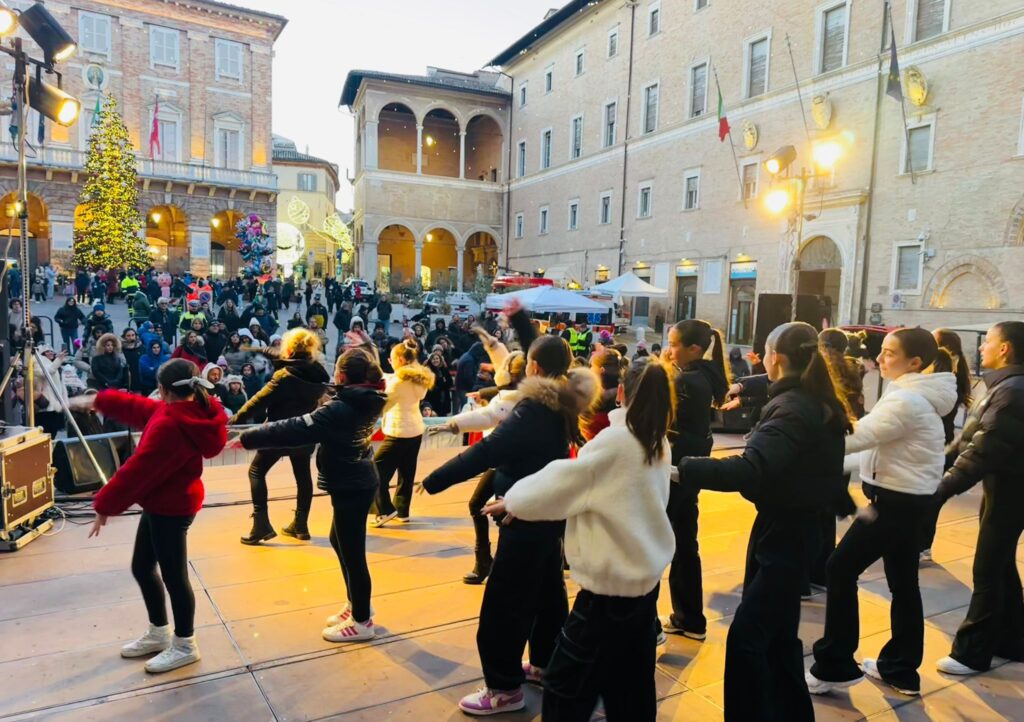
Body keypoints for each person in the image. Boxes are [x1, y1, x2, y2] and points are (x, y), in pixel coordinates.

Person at [484, 357, 675, 720]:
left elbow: (566, 480)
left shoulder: (617, 441)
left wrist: (515, 500)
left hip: (607, 594)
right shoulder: (657, 439)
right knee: (630, 687)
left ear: (620, 393)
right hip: (643, 588)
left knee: (565, 690)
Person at [677, 322, 851, 721]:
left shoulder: (792, 408)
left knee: (748, 639)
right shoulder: (808, 394)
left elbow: (752, 468)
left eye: (765, 355)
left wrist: (684, 468)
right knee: (778, 637)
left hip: (787, 533)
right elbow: (775, 388)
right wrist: (750, 387)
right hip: (790, 526)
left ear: (777, 357)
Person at [421, 334, 598, 716]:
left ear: (533, 368)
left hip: (526, 517)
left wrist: (435, 480)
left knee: (505, 605)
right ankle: (546, 663)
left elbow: (488, 450)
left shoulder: (533, 409)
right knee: (548, 596)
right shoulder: (562, 402)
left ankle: (503, 688)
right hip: (546, 516)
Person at [808, 328, 956, 697]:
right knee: (903, 584)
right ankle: (900, 669)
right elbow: (873, 447)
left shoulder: (907, 400)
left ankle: (835, 664)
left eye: (890, 353)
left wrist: (802, 443)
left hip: (897, 504)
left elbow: (858, 437)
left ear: (914, 362)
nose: (881, 359)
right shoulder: (912, 394)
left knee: (839, 568)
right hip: (909, 501)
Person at [78, 359, 226, 673]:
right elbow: (143, 409)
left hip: (171, 508)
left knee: (174, 577)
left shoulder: (172, 424)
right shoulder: (185, 411)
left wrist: (105, 505)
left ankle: (185, 644)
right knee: (142, 567)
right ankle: (160, 633)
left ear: (162, 389)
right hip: (163, 503)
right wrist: (102, 400)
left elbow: (138, 470)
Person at [239, 349, 388, 643]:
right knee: (340, 541)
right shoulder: (367, 397)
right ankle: (357, 605)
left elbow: (296, 428)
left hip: (351, 484)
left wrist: (249, 437)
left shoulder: (340, 408)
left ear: (342, 376)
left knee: (353, 553)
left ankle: (362, 621)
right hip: (356, 479)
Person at [934, 322, 1024, 676]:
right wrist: (939, 465)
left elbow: (984, 449)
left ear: (1005, 349)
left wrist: (941, 489)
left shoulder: (1013, 391)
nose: (982, 347)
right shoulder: (1007, 385)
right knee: (999, 564)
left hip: (1012, 487)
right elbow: (970, 440)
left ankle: (972, 653)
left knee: (988, 567)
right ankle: (1012, 640)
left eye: (988, 342)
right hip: (1006, 485)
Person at [660, 319, 730, 642]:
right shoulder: (702, 375)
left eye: (674, 344)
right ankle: (689, 617)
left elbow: (659, 410)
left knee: (665, 540)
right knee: (685, 540)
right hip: (690, 465)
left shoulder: (687, 381)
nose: (669, 349)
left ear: (694, 349)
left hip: (678, 467)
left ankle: (679, 618)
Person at [435, 348, 528, 583]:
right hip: (505, 461)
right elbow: (501, 389)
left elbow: (488, 415)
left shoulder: (512, 402)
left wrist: (454, 424)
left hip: (506, 462)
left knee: (505, 514)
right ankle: (488, 561)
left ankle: (493, 563)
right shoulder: (523, 394)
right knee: (495, 510)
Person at [232, 328, 330, 543]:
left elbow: (256, 402)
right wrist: (257, 348)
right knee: (303, 475)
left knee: (256, 471)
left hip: (279, 433)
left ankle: (261, 525)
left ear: (290, 349)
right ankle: (301, 525)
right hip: (304, 432)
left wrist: (232, 422)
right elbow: (278, 355)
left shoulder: (285, 376)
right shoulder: (318, 374)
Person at [918, 328, 973, 561]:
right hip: (945, 440)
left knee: (925, 497)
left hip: (933, 442)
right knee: (932, 498)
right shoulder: (958, 371)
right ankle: (923, 545)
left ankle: (919, 545)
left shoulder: (941, 371)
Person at [370, 339, 435, 526]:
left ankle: (385, 510)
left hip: (398, 432)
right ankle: (402, 510)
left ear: (399, 359)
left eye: (391, 360)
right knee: (407, 473)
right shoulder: (419, 378)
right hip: (415, 430)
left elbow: (383, 403)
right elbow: (395, 378)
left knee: (375, 472)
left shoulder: (398, 382)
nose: (390, 363)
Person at [581, 347, 622, 441]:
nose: (590, 369)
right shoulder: (624, 397)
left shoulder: (598, 406)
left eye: (591, 366)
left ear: (601, 370)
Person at [121, 327, 145, 394]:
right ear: (124, 337)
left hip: (139, 377)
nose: (131, 337)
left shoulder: (142, 347)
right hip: (126, 377)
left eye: (133, 335)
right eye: (128, 335)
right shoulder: (120, 349)